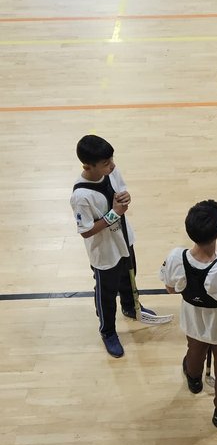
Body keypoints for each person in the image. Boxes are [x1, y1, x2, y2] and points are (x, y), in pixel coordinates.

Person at [160, 200, 217, 429]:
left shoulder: (175, 257)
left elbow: (170, 288)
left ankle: (193, 377)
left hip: (192, 321)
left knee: (194, 349)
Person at [70, 134, 159, 359]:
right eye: (106, 163)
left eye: (112, 159)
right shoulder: (81, 196)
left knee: (129, 276)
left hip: (124, 239)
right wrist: (114, 214)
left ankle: (130, 307)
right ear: (87, 166)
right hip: (104, 252)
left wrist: (126, 198)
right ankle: (108, 331)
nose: (112, 165)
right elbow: (85, 231)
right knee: (106, 294)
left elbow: (122, 193)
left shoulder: (111, 172)